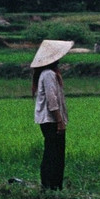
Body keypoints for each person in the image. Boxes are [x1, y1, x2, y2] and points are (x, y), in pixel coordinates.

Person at [31, 40, 73, 190]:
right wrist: (60, 121)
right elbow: (52, 100)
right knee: (54, 154)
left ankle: (51, 185)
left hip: (50, 120)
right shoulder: (48, 74)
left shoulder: (47, 74)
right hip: (51, 120)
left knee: (53, 152)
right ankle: (51, 186)